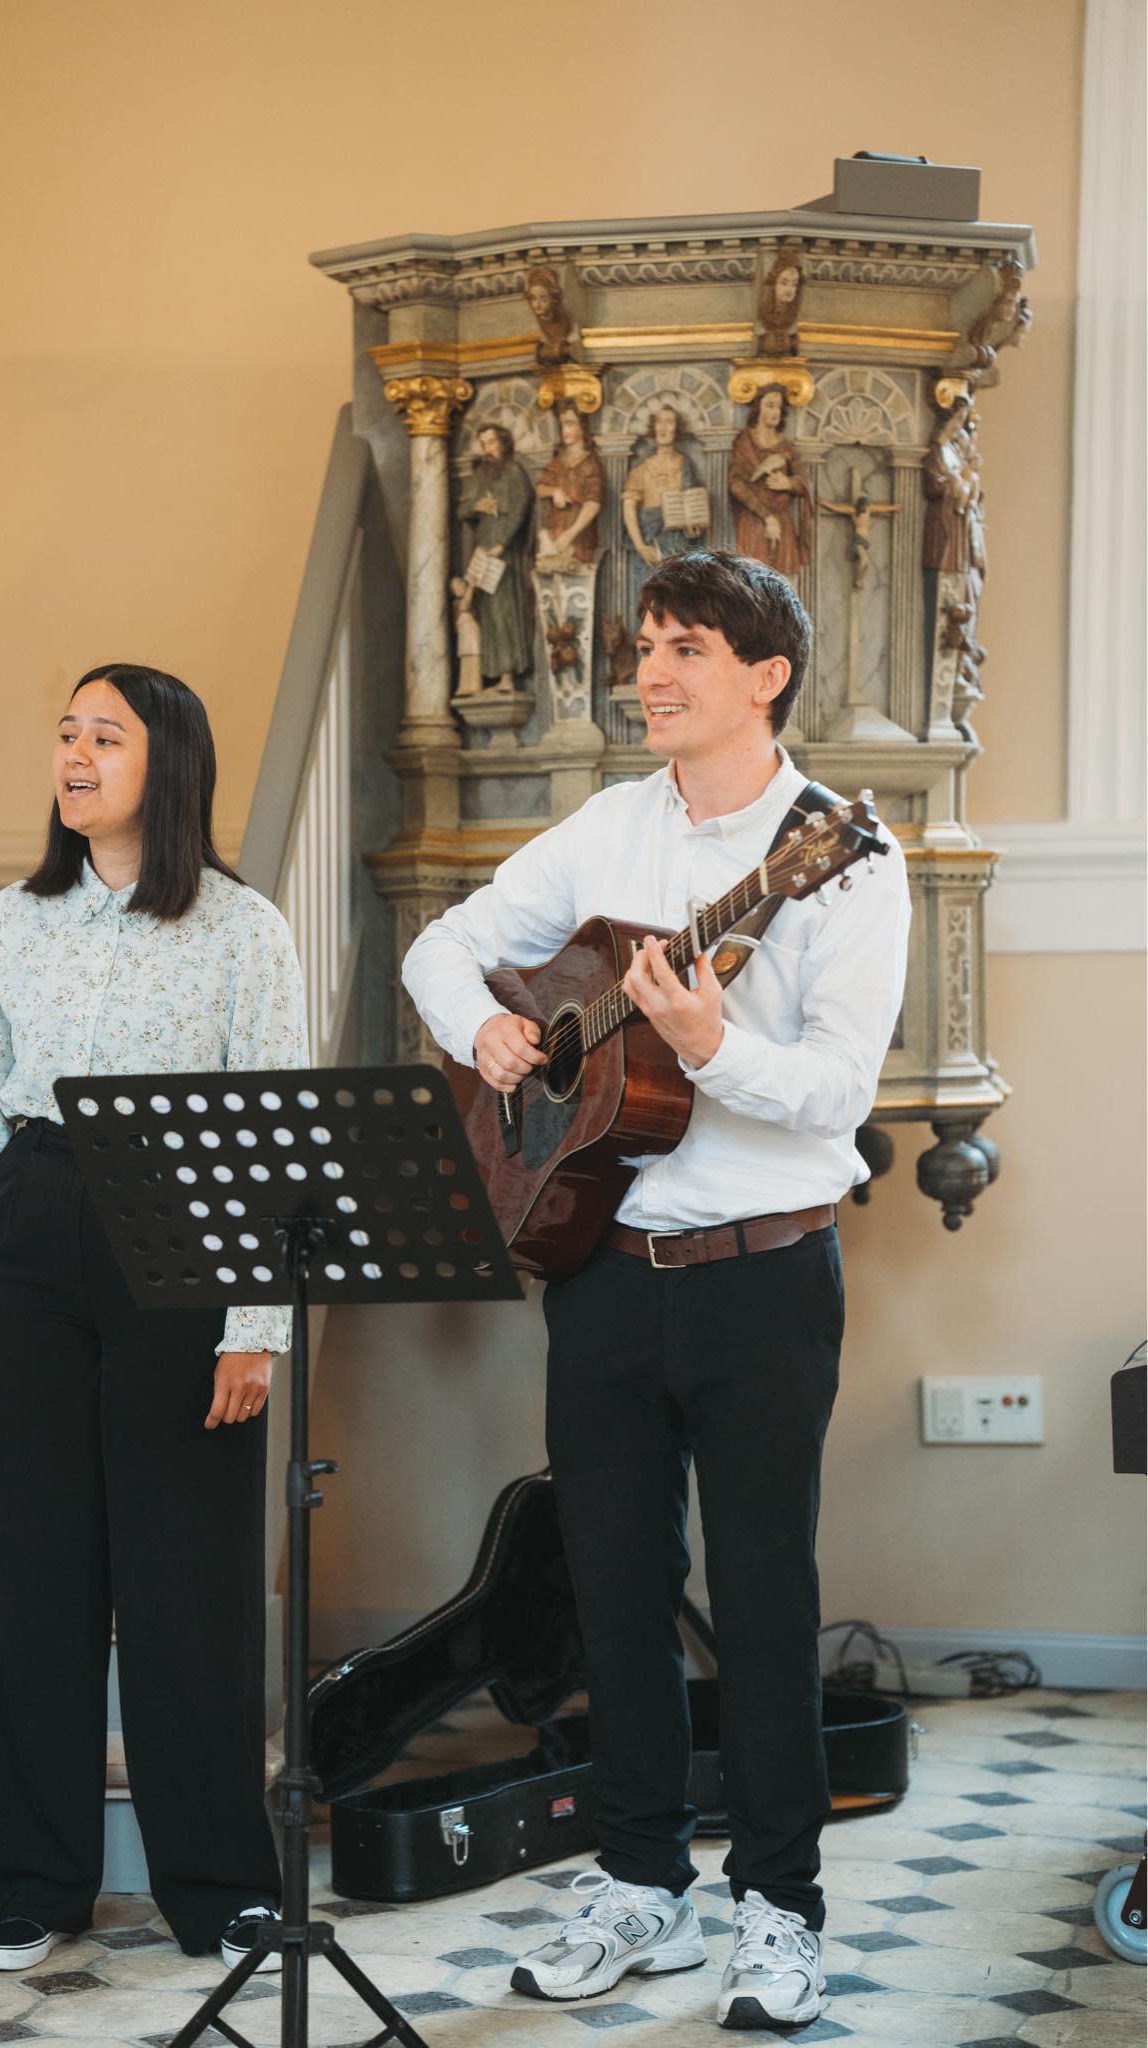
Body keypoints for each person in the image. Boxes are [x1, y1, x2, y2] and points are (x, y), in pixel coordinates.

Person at [402, 551, 910, 2030]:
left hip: (763, 1275)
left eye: (686, 646)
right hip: (601, 1270)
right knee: (612, 1593)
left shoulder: (839, 858)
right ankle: (640, 1889)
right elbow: (444, 947)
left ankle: (778, 1910)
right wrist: (492, 1038)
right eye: (644, 644)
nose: (650, 671)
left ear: (766, 675)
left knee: (762, 1598)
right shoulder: (610, 829)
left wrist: (707, 1047)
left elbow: (833, 1094)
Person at [0, 663, 307, 1976]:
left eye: (106, 737)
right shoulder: (15, 917)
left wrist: (255, 1322)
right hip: (29, 1226)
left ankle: (221, 1883)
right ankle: (31, 1884)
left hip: (181, 1224)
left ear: (168, 762)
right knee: (29, 1573)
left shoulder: (244, 928)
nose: (75, 756)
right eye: (66, 734)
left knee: (189, 1576)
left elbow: (273, 1138)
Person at [458, 422, 534, 688]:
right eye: (483, 443)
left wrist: (502, 542)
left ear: (503, 443)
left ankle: (507, 674)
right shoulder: (480, 476)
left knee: (504, 610)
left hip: (504, 551)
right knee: (486, 612)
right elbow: (463, 510)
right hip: (483, 546)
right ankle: (490, 672)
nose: (487, 448)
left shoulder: (513, 472)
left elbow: (520, 508)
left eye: (492, 442)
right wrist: (478, 505)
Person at [728, 384, 812, 575]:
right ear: (758, 408)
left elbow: (805, 483)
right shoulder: (745, 442)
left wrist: (788, 483)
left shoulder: (787, 447)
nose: (775, 412)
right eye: (770, 405)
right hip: (754, 520)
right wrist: (766, 517)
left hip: (782, 521)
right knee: (752, 578)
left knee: (783, 580)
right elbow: (735, 484)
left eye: (779, 407)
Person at [622, 402, 709, 568]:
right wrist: (641, 546)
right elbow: (629, 509)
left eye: (669, 422)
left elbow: (691, 507)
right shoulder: (642, 469)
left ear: (677, 428)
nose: (663, 428)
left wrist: (693, 528)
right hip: (650, 540)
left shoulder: (685, 465)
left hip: (679, 544)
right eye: (659, 422)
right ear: (653, 427)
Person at [535, 400, 604, 566]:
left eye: (570, 424)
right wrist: (554, 491)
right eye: (563, 425)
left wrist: (571, 533)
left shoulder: (590, 463)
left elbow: (593, 503)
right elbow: (540, 488)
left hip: (579, 533)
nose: (565, 430)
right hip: (555, 528)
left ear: (582, 427)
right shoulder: (558, 462)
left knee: (574, 573)